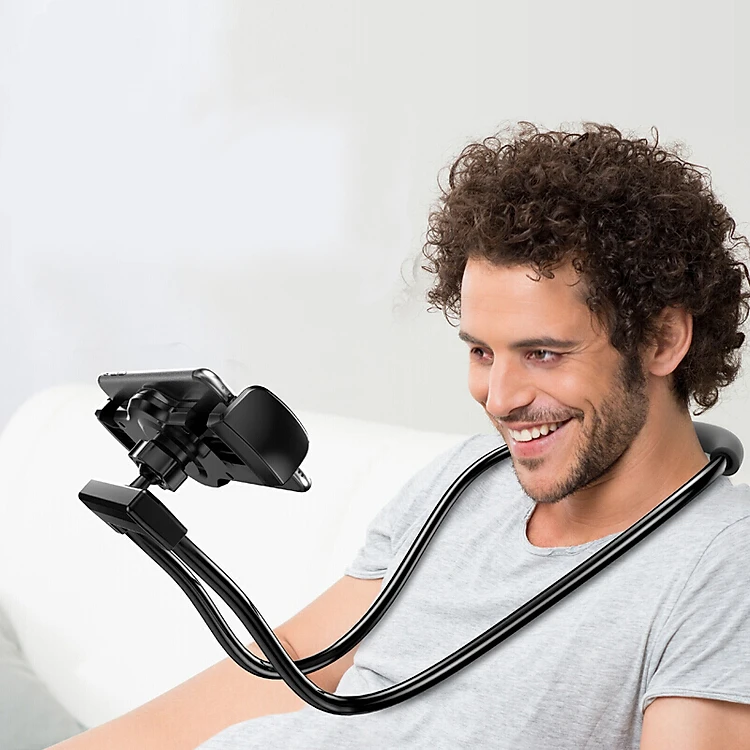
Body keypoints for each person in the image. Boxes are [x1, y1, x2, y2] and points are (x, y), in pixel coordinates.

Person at [52, 123, 750, 749]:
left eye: (542, 353)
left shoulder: (721, 566)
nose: (500, 398)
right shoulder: (466, 480)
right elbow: (290, 666)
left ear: (662, 340)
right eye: (482, 352)